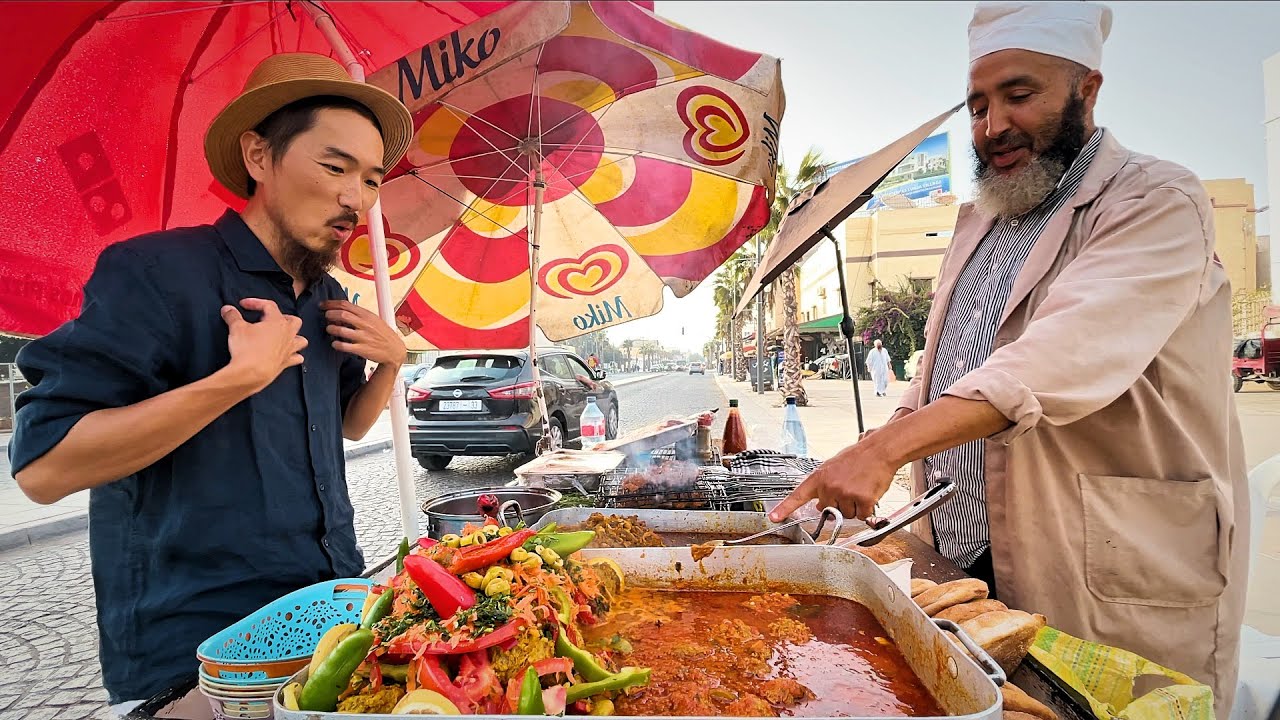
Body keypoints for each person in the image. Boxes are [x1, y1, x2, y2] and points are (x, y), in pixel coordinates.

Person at [770, 3, 1248, 715]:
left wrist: (888, 446)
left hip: (1102, 559)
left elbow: (1058, 358)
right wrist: (873, 452)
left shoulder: (1155, 199)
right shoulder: (980, 225)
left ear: (1086, 89)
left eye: (1020, 96)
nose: (993, 126)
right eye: (978, 105)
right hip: (963, 558)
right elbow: (943, 376)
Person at [9, 53, 414, 712]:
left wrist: (391, 362)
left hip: (329, 625)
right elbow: (44, 467)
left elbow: (348, 425)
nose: (355, 198)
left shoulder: (328, 296)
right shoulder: (155, 273)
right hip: (195, 658)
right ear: (258, 156)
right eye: (335, 167)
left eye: (372, 179)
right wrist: (237, 379)